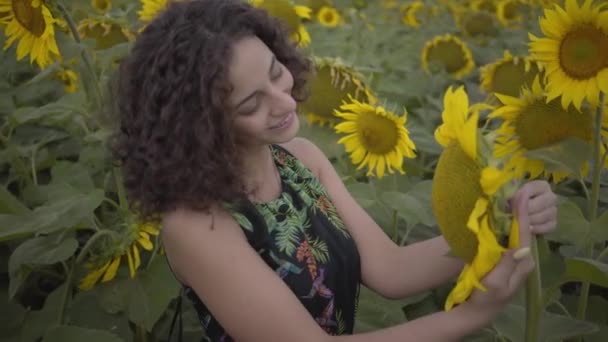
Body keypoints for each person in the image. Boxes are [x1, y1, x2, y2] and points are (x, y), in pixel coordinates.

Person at [111, 0, 558, 341]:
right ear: (202, 127)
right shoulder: (197, 223)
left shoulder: (302, 160)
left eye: (276, 72)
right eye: (251, 103)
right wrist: (470, 315)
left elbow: (392, 269)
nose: (285, 101)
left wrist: (498, 225)